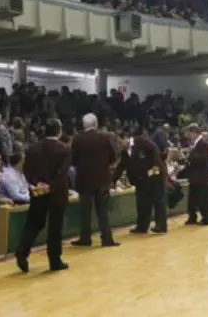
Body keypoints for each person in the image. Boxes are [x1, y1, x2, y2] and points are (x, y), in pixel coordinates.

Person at [15, 118, 71, 273]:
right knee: (55, 227)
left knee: (33, 223)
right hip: (57, 193)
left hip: (38, 192)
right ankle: (54, 261)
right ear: (59, 131)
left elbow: (26, 170)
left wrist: (37, 183)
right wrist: (51, 185)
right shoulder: (65, 149)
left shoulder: (33, 149)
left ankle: (22, 251)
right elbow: (62, 173)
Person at [70, 113, 120, 247]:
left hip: (84, 179)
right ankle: (107, 238)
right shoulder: (106, 137)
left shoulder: (77, 139)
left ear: (83, 125)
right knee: (102, 211)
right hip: (102, 178)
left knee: (85, 211)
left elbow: (72, 160)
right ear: (96, 124)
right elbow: (114, 157)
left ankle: (85, 238)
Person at [127, 133, 173, 234]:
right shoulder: (148, 146)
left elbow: (158, 163)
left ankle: (148, 226)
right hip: (149, 178)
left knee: (149, 203)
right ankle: (155, 226)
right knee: (151, 202)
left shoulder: (141, 146)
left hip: (150, 178)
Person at [183, 123, 208, 226]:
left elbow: (203, 158)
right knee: (193, 198)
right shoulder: (194, 143)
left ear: (194, 132)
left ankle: (206, 218)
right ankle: (192, 217)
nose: (188, 136)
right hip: (195, 176)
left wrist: (189, 157)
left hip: (201, 176)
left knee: (203, 198)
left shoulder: (203, 143)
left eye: (189, 133)